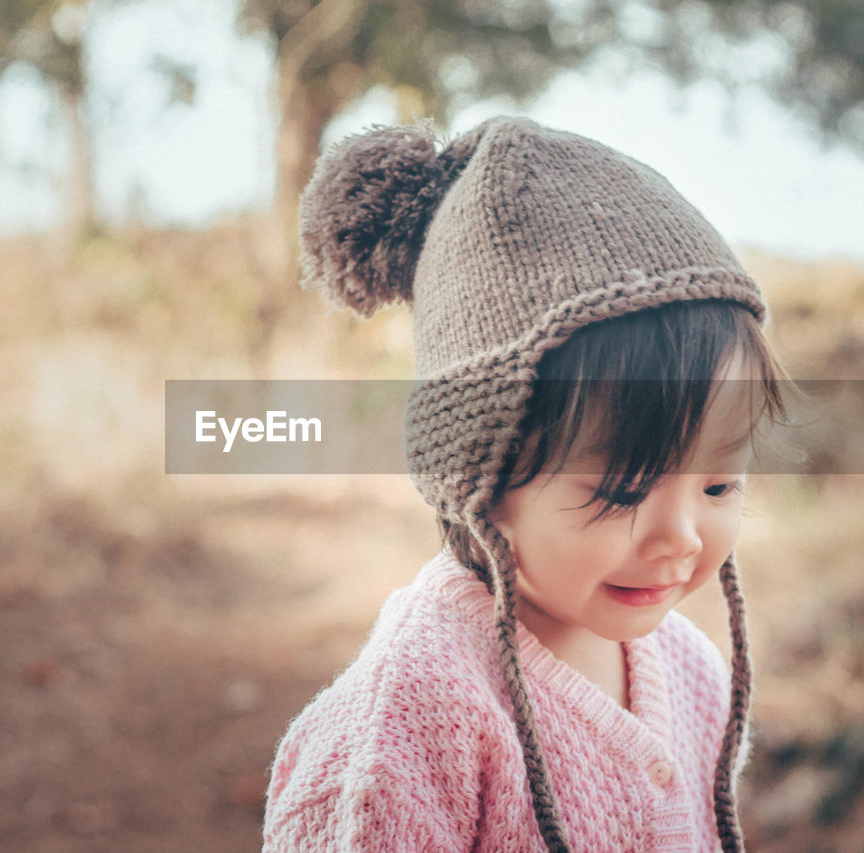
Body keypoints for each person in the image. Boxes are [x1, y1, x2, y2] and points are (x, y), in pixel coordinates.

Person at [262, 116, 788, 852]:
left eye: (720, 484)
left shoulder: (693, 671)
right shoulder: (403, 734)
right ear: (479, 470)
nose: (682, 535)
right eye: (626, 488)